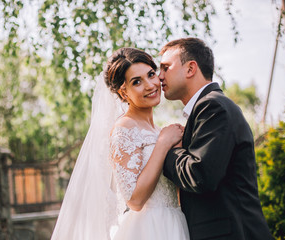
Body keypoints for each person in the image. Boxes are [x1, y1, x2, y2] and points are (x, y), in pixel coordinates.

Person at [51, 47, 189, 240]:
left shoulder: (158, 131)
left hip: (175, 223)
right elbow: (134, 200)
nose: (150, 85)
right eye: (137, 82)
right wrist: (163, 144)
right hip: (148, 229)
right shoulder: (124, 129)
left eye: (151, 74)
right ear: (123, 92)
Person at [158, 37, 273, 240]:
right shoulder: (207, 108)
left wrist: (167, 148)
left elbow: (199, 175)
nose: (159, 76)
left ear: (190, 68)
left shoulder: (213, 107)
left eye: (165, 68)